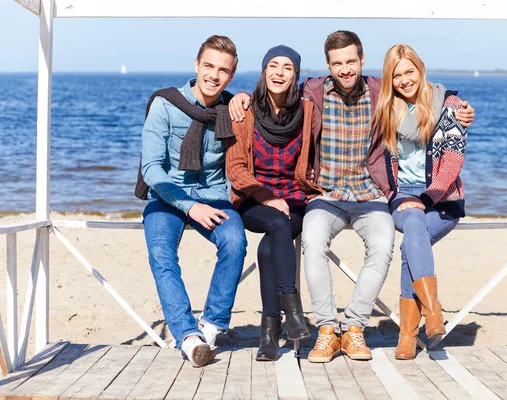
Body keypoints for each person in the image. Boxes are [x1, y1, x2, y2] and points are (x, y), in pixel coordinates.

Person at [228, 31, 474, 364]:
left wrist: (458, 106)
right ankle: (328, 330)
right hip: (325, 194)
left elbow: (427, 92)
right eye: (337, 63)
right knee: (313, 242)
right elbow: (275, 88)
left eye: (351, 61)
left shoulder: (380, 92)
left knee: (384, 244)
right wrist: (240, 96)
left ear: (361, 60)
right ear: (328, 65)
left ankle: (355, 327)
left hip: (370, 194)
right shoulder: (312, 92)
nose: (345, 69)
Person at [137, 35, 247, 368]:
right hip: (168, 195)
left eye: (223, 71)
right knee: (161, 252)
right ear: (197, 65)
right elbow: (151, 169)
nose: (214, 75)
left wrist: (245, 97)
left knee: (235, 240)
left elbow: (267, 111)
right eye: (209, 66)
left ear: (231, 75)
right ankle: (188, 336)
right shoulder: (165, 104)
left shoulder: (231, 108)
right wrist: (188, 206)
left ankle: (211, 324)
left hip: (212, 195)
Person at [373, 44, 469, 360]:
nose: (404, 80)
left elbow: (453, 162)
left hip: (443, 198)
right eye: (397, 75)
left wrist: (427, 197)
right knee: (413, 224)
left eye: (409, 71)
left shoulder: (450, 106)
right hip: (402, 194)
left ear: (421, 68)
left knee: (411, 243)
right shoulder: (386, 109)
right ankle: (432, 313)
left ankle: (408, 334)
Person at [226, 45, 321, 361]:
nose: (279, 73)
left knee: (269, 246)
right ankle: (293, 311)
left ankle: (269, 332)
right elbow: (236, 168)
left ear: (296, 75)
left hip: (294, 199)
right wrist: (265, 195)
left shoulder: (307, 112)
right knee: (276, 223)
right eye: (273, 66)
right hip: (252, 199)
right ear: (264, 70)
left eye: (287, 68)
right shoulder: (246, 111)